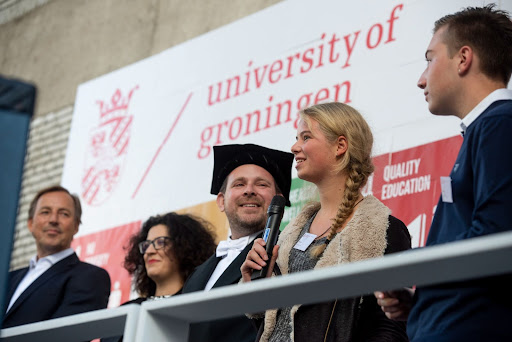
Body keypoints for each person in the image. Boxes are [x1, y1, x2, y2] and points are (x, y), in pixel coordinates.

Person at [375, 4, 512, 342]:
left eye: (429, 58)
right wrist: (425, 298)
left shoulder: (500, 124)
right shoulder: (486, 129)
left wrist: (404, 265)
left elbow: (494, 240)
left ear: (463, 59)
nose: (421, 78)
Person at [241, 102, 411, 342]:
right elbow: (275, 322)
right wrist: (256, 288)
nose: (294, 147)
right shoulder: (289, 234)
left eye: (306, 137)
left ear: (340, 146)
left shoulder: (384, 230)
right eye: (296, 138)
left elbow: (390, 326)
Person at [182, 143, 294, 342]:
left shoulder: (290, 252)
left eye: (261, 184)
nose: (249, 191)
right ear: (221, 200)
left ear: (279, 200)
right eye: (239, 184)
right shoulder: (197, 275)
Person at [3, 185, 111, 328]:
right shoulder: (7, 279)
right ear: (30, 223)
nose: (53, 219)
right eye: (45, 212)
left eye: (64, 214)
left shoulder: (90, 277)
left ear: (76, 226)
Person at [101, 212, 216, 342]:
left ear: (185, 247)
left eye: (160, 242)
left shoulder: (195, 307)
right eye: (146, 245)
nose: (149, 251)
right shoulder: (127, 309)